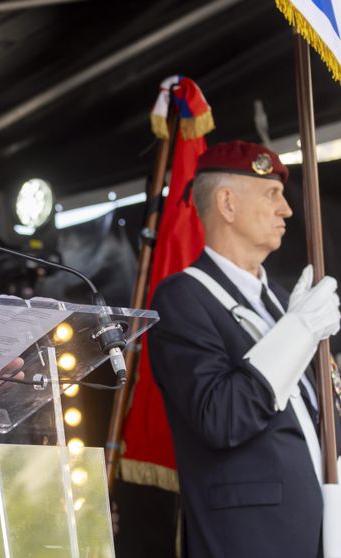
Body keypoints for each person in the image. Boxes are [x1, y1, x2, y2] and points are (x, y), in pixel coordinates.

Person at [148, 141, 341, 557]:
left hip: (319, 533)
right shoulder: (182, 298)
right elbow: (221, 417)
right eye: (272, 194)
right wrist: (299, 331)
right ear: (227, 204)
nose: (286, 210)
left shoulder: (282, 301)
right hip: (251, 540)